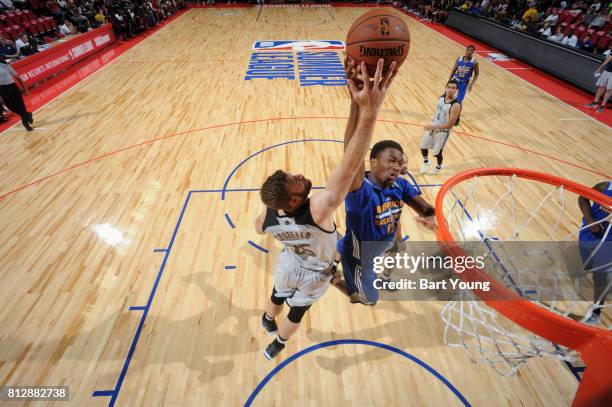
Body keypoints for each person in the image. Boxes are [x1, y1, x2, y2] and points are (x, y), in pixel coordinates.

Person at [255, 59, 398, 359]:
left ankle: (267, 319)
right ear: (293, 202)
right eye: (293, 182)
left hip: (289, 263)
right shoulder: (318, 210)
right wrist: (368, 110)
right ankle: (278, 343)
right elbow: (350, 164)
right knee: (296, 313)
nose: (298, 176)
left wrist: (354, 104)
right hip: (314, 273)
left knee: (277, 294)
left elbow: (259, 226)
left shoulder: (269, 217)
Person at [337, 133, 436, 304]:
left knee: (393, 250)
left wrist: (431, 216)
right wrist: (363, 114)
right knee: (369, 300)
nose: (398, 167)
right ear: (373, 162)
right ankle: (332, 277)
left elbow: (418, 210)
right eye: (391, 161)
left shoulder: (401, 185)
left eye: (400, 163)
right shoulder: (361, 190)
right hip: (362, 254)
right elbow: (352, 157)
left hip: (384, 237)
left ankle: (384, 278)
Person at [577, 181, 611, 326]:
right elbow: (582, 197)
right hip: (590, 233)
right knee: (589, 267)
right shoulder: (606, 187)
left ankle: (596, 314)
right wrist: (591, 221)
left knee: (600, 277)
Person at [420, 80, 462, 175]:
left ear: (456, 90)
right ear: (446, 87)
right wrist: (432, 123)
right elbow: (438, 113)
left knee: (436, 153)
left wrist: (433, 127)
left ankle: (438, 167)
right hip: (433, 126)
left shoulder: (456, 105)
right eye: (449, 87)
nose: (451, 90)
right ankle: (426, 162)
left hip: (443, 131)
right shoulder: (441, 98)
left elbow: (449, 125)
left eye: (453, 88)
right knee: (423, 146)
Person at [0, 56, 33, 131]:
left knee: (21, 106)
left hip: (12, 87)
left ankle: (26, 124)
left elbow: (18, 78)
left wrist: (26, 89)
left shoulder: (5, 66)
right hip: (2, 89)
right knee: (10, 107)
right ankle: (28, 114)